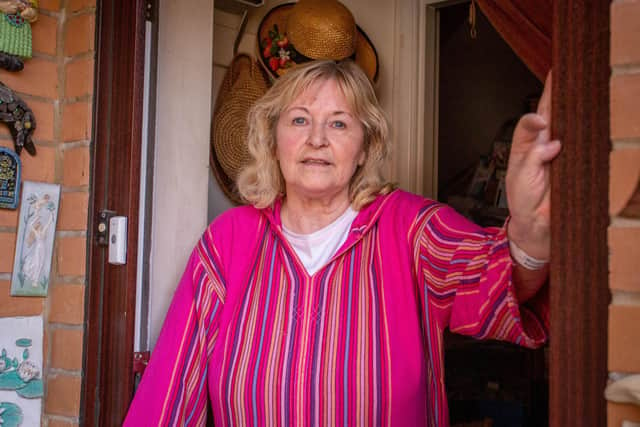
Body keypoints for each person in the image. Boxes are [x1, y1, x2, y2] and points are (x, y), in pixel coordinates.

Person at [124, 60, 560, 426]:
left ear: (365, 147)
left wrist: (528, 231)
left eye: (338, 123)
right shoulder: (229, 241)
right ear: (273, 141)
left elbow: (496, 278)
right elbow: (170, 394)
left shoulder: (412, 228)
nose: (317, 139)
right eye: (299, 120)